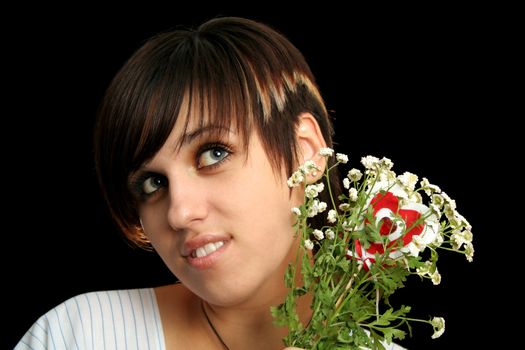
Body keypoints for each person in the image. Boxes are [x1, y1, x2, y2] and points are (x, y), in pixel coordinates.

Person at [14, 16, 402, 350]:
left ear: (305, 153)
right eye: (151, 184)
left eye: (214, 154)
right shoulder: (80, 335)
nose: (179, 213)